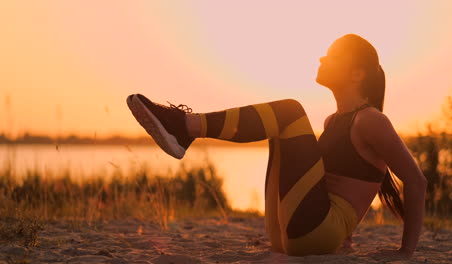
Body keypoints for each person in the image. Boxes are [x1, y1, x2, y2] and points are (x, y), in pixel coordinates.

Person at [126, 33, 427, 259]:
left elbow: (416, 180)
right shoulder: (333, 121)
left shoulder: (371, 120)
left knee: (290, 112)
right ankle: (182, 129)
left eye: (332, 56)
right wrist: (346, 234)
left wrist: (405, 252)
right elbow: (340, 184)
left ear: (357, 74)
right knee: (279, 125)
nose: (322, 59)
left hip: (315, 233)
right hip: (292, 233)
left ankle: (184, 126)